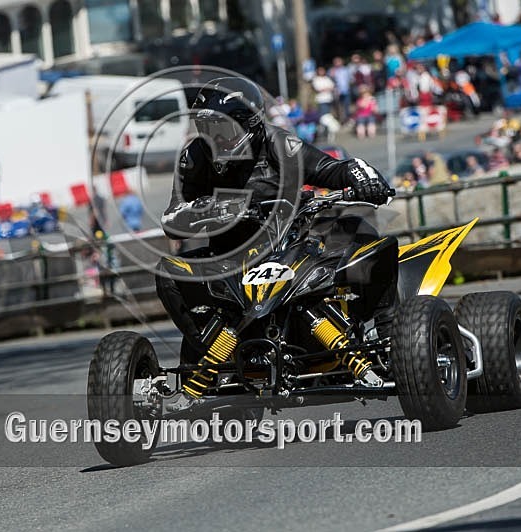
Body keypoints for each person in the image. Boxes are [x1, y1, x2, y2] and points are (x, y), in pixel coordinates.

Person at [155, 77, 391, 411]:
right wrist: (210, 209)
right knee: (168, 271)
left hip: (290, 248)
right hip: (229, 260)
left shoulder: (281, 145)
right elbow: (172, 218)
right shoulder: (194, 157)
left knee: (366, 236)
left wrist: (361, 176)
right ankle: (215, 351)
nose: (215, 136)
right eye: (206, 126)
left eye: (222, 127)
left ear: (249, 123)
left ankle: (390, 334)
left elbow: (330, 169)